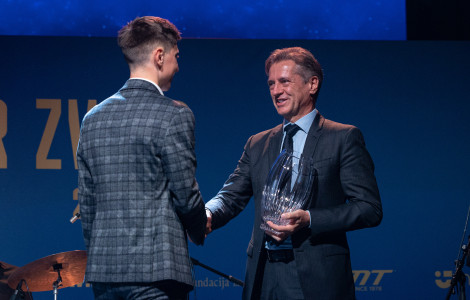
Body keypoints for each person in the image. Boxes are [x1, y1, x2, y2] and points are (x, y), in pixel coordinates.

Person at [205, 47, 383, 299]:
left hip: (315, 277)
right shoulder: (257, 143)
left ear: (312, 84)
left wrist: (309, 219)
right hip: (263, 274)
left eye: (284, 82)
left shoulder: (343, 137)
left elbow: (369, 208)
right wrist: (207, 212)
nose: (276, 91)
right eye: (271, 84)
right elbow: (231, 195)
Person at [77, 16, 207, 300]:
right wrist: (200, 228)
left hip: (105, 275)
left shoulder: (92, 119)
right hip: (156, 276)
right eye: (176, 55)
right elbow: (185, 194)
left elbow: (87, 205)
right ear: (159, 56)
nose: (177, 65)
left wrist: (102, 257)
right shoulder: (173, 114)